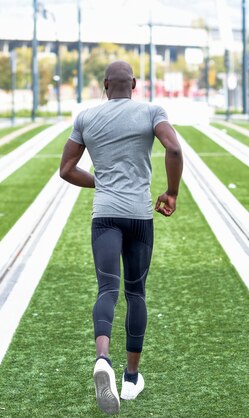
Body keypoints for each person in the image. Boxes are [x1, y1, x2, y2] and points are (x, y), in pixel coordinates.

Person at [59, 60, 183, 415]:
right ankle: (130, 378)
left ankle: (102, 358)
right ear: (134, 84)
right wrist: (171, 192)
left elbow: (66, 170)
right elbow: (173, 149)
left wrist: (103, 182)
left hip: (105, 216)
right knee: (136, 292)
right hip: (140, 216)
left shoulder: (85, 118)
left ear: (103, 84)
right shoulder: (151, 111)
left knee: (107, 290)